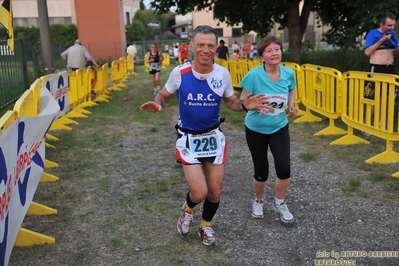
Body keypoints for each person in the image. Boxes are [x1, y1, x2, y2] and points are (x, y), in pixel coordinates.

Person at [140, 25, 268, 246]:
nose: (206, 49)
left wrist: (247, 105)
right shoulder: (180, 73)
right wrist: (158, 103)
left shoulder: (222, 74)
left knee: (215, 191)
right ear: (192, 46)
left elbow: (230, 102)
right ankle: (188, 210)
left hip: (213, 137)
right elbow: (163, 94)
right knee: (199, 192)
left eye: (210, 45)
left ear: (215, 48)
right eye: (201, 45)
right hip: (188, 138)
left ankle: (205, 226)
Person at [239, 35, 298, 224]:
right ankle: (258, 201)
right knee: (261, 169)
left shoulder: (288, 73)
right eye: (270, 51)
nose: (274, 53)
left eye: (277, 49)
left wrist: (291, 105)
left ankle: (280, 202)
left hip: (279, 127)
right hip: (255, 128)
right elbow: (243, 100)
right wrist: (253, 105)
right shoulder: (254, 75)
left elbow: (291, 88)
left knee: (284, 167)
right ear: (262, 56)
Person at [364, 11, 399, 127]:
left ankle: (381, 122)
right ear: (381, 24)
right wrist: (381, 40)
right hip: (377, 68)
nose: (392, 27)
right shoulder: (373, 34)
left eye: (393, 25)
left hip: (390, 67)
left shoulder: (393, 33)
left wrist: (396, 51)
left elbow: (393, 50)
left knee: (387, 97)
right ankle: (367, 123)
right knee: (373, 98)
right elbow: (367, 52)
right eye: (389, 25)